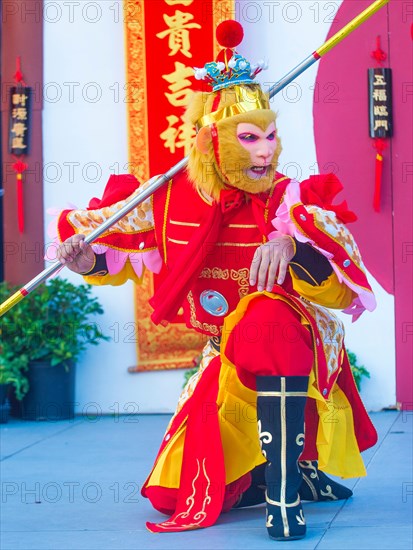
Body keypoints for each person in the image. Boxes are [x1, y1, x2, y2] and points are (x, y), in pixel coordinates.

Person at [55, 21, 377, 541]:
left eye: (271, 135)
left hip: (300, 340)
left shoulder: (293, 201)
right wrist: (84, 260)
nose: (266, 152)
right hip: (223, 351)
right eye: (249, 138)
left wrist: (292, 248)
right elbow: (117, 256)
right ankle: (261, 475)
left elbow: (343, 292)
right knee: (173, 493)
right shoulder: (171, 199)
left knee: (266, 315)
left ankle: (285, 488)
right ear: (212, 141)